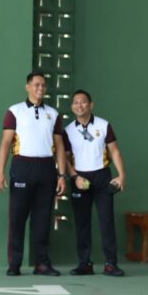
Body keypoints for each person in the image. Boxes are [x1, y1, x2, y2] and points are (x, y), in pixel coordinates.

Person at [0, 72, 67, 276]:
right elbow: (6, 143)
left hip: (46, 168)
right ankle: (14, 264)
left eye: (43, 85)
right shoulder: (15, 111)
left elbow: (60, 146)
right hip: (22, 166)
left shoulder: (53, 114)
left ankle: (42, 264)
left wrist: (62, 175)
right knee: (17, 218)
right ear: (27, 87)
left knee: (43, 219)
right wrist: (0, 172)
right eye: (36, 84)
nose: (40, 88)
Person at [63, 89, 126, 277]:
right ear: (72, 107)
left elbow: (114, 151)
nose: (79, 105)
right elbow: (65, 158)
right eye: (76, 102)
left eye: (83, 102)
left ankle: (110, 264)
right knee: (82, 223)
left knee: (106, 221)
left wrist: (122, 175)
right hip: (79, 179)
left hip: (102, 177)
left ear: (91, 105)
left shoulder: (104, 125)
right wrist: (75, 177)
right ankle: (85, 264)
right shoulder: (68, 130)